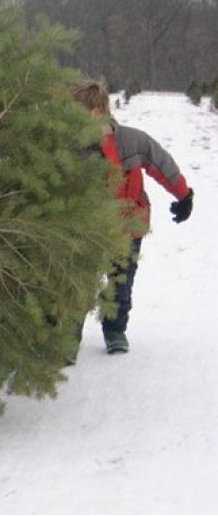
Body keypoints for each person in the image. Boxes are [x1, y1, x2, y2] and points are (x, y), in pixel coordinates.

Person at [70, 78, 194, 354]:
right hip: (84, 230)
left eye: (85, 111)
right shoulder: (70, 149)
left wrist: (184, 195)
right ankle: (68, 337)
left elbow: (162, 164)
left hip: (128, 226)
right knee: (76, 284)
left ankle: (115, 330)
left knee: (121, 284)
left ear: (100, 110)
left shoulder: (131, 140)